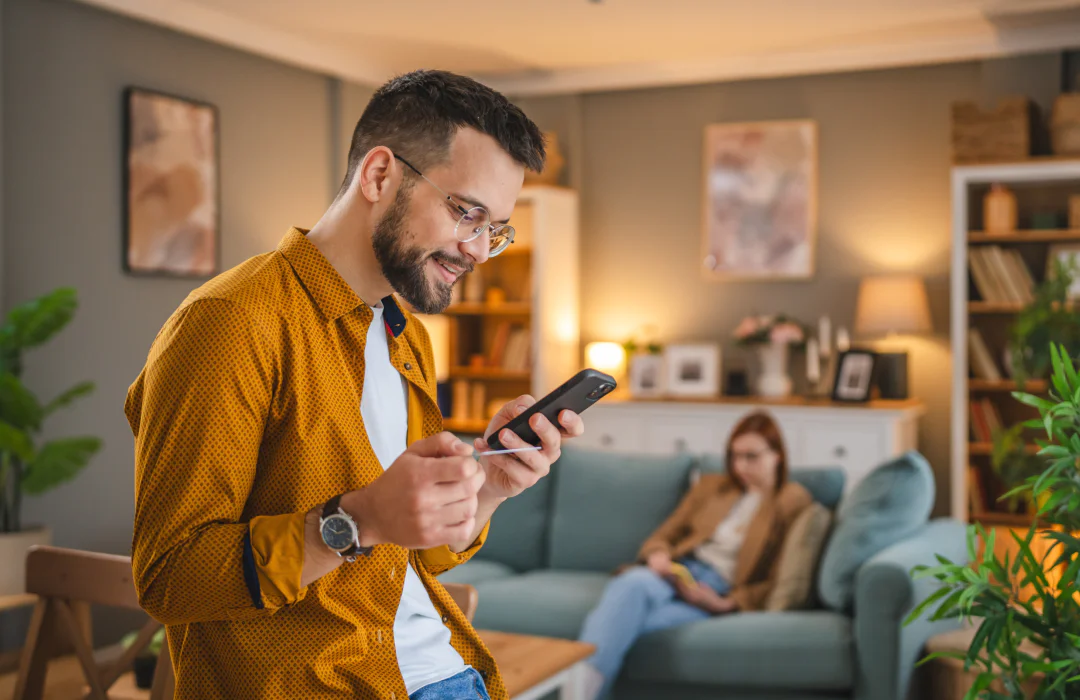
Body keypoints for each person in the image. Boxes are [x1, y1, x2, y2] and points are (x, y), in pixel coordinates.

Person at [126, 70, 584, 700]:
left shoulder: (406, 338)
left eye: (495, 229)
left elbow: (413, 554)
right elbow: (170, 577)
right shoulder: (231, 323)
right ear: (378, 176)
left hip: (449, 674)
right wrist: (356, 520)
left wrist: (491, 490)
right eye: (467, 214)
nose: (478, 250)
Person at [577, 411, 810, 698]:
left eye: (751, 456)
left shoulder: (791, 501)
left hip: (711, 591)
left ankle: (577, 690)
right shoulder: (712, 487)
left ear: (777, 455)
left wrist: (725, 605)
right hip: (675, 571)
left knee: (626, 622)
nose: (740, 466)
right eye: (735, 456)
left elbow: (778, 577)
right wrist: (658, 556)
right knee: (632, 585)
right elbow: (664, 535)